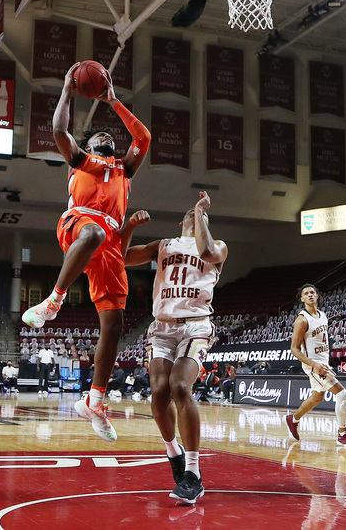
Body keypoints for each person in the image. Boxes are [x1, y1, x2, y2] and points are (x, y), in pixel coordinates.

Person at [21, 62, 151, 442]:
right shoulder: (83, 162)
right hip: (79, 224)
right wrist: (66, 87)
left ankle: (94, 400)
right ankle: (54, 301)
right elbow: (60, 131)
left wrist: (114, 102)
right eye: (99, 137)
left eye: (110, 136)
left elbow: (143, 137)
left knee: (114, 325)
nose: (107, 137)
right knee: (93, 231)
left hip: (108, 242)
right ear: (89, 146)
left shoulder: (125, 169)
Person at [122, 191, 228, 505]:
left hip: (196, 324)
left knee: (180, 386)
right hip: (163, 325)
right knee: (158, 391)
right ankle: (174, 454)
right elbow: (124, 257)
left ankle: (193, 474)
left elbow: (208, 251)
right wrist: (129, 227)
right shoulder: (164, 245)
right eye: (193, 218)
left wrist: (201, 214)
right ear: (183, 222)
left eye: (204, 219)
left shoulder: (217, 246)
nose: (198, 221)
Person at [285, 283, 346, 449]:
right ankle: (342, 434)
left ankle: (293, 419)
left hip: (323, 363)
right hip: (313, 366)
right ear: (302, 299)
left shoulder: (323, 316)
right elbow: (294, 349)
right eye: (306, 293)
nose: (310, 295)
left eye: (313, 292)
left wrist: (324, 361)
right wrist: (314, 364)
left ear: (317, 296)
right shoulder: (302, 320)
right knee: (341, 393)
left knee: (317, 397)